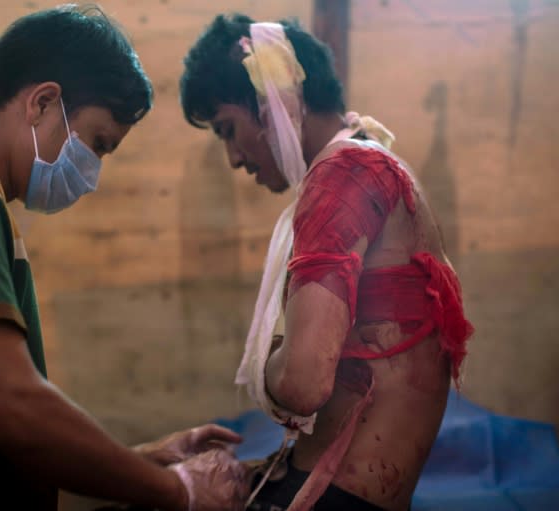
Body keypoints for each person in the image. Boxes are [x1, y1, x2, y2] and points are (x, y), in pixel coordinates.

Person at [0, 5, 249, 510]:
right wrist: (177, 491)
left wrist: (138, 461)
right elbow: (7, 404)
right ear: (43, 103)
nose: (91, 173)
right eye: (97, 143)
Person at [180, 14, 474, 511]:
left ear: (269, 101)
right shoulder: (371, 161)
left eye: (229, 129)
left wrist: (268, 358)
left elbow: (303, 382)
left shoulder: (345, 173)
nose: (233, 157)